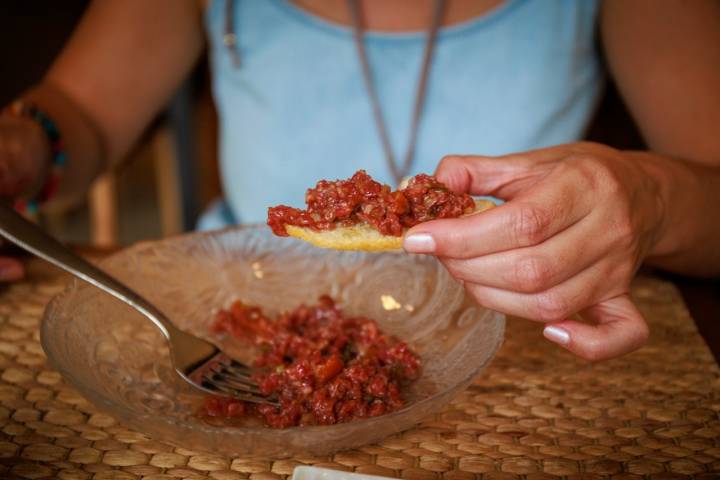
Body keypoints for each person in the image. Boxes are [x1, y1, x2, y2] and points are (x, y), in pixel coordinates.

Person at [1, 0, 719, 361]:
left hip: (510, 338)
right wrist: (30, 142)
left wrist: (650, 198)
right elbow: (84, 120)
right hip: (238, 316)